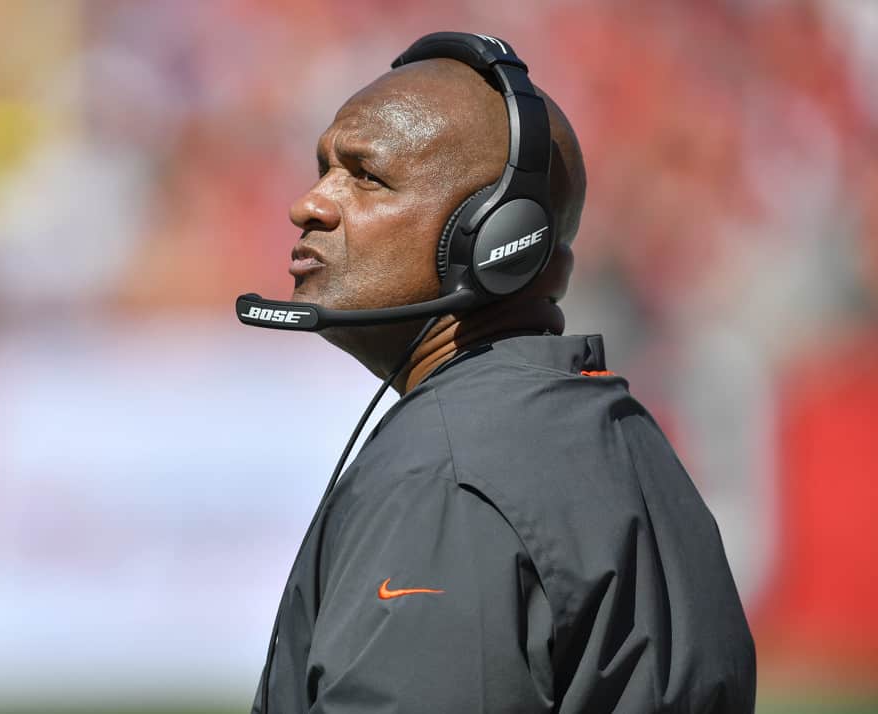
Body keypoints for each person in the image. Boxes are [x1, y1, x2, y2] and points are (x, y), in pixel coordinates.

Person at [249, 33, 756, 714]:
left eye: (364, 175)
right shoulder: (614, 432)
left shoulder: (448, 472)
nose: (309, 203)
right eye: (321, 169)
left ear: (493, 240)